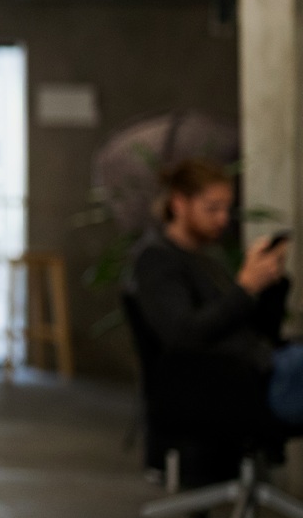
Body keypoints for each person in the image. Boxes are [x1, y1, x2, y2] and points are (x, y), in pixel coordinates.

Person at [129, 158, 302, 439]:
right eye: (212, 209)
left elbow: (257, 331)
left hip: (260, 369)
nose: (223, 219)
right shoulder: (157, 260)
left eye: (226, 209)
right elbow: (184, 335)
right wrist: (244, 288)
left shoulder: (208, 258)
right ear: (179, 204)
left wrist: (269, 284)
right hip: (224, 385)